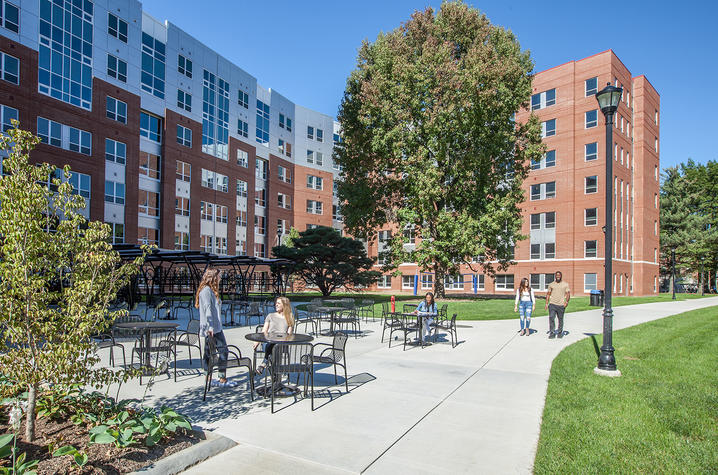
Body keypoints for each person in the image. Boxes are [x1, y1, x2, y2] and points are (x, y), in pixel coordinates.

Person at [196, 268, 235, 387]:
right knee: (223, 351)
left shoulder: (210, 290)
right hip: (213, 328)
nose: (220, 278)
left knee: (209, 352)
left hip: (214, 327)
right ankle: (221, 378)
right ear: (213, 277)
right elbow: (207, 309)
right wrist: (210, 327)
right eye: (219, 276)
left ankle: (208, 377)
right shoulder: (206, 291)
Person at [254, 296, 294, 375]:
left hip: (281, 344)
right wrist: (257, 341)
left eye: (279, 303)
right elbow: (264, 331)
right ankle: (274, 377)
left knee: (276, 347)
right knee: (272, 345)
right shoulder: (270, 316)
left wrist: (284, 339)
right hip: (268, 342)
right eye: (276, 303)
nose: (276, 305)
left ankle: (264, 364)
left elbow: (289, 334)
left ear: (284, 305)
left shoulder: (290, 317)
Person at [544, 271, 570, 339]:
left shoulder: (565, 284)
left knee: (560, 319)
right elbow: (548, 294)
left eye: (559, 275)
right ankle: (552, 333)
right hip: (552, 304)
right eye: (556, 275)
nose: (558, 276)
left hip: (561, 305)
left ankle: (559, 332)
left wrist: (566, 302)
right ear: (555, 276)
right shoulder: (551, 284)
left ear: (561, 276)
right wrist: (547, 303)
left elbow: (568, 294)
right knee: (551, 318)